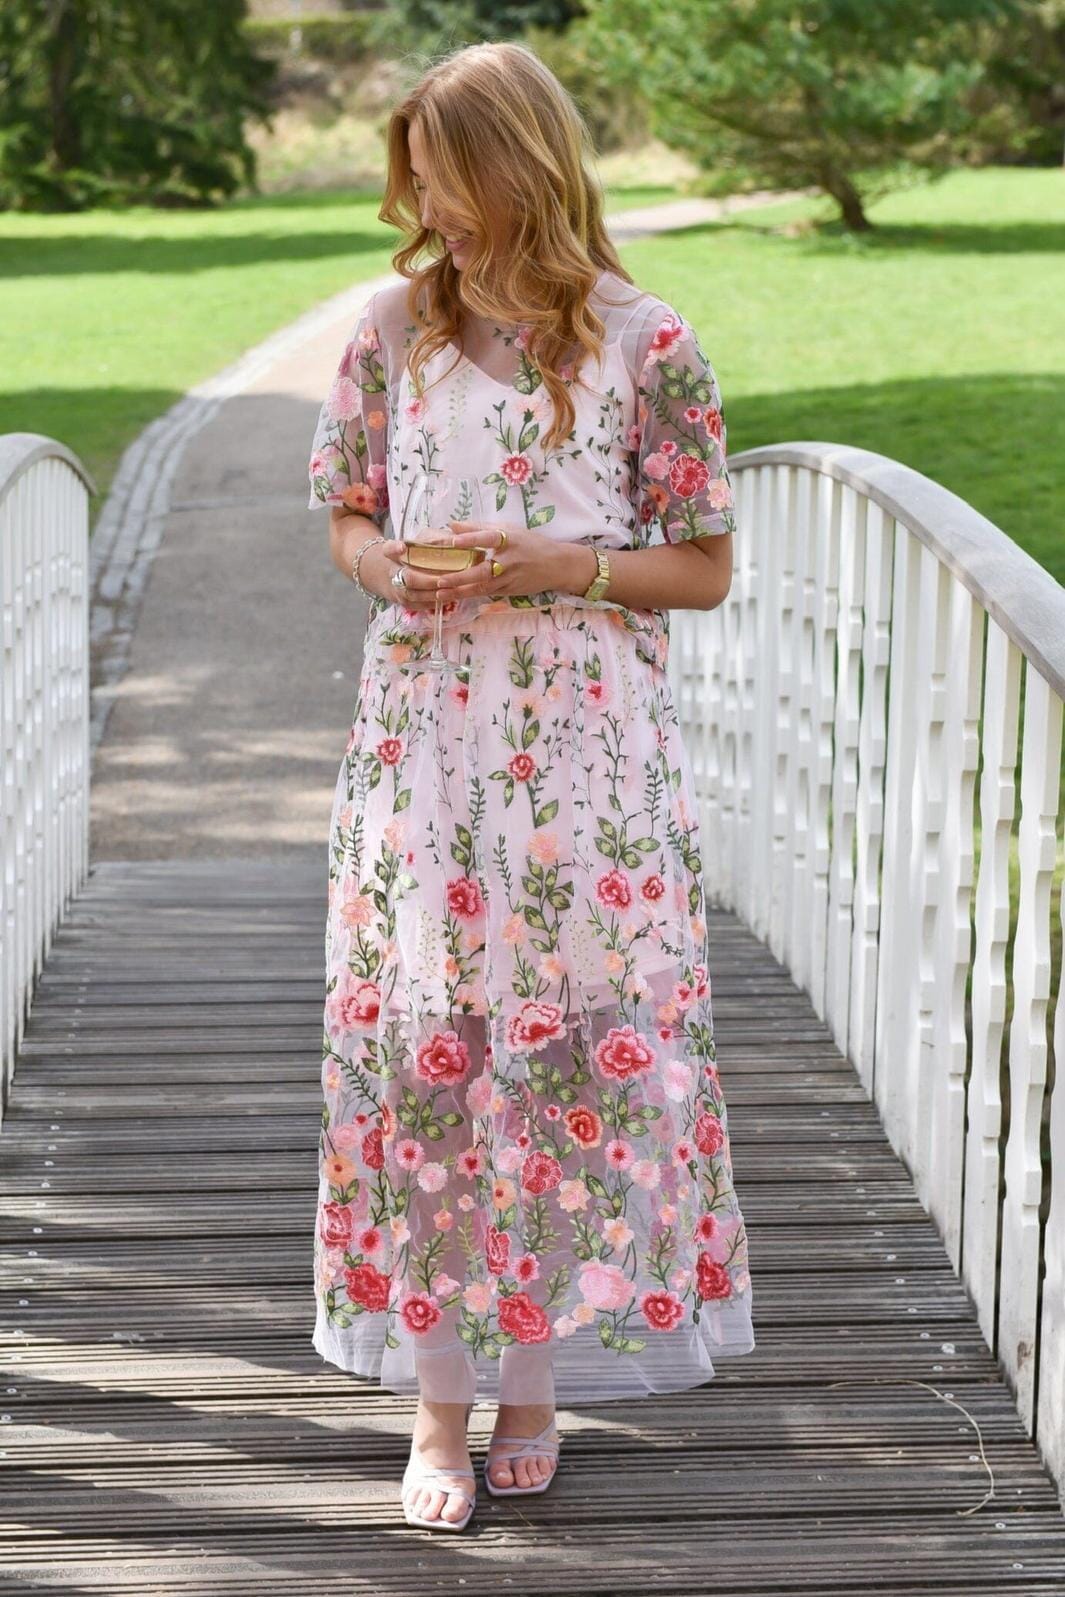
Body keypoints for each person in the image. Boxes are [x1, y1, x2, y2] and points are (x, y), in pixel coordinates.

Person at [306, 39, 755, 1533]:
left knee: (566, 1057)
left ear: (518, 166)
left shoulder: (648, 341)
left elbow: (705, 564)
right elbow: (346, 512)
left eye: (445, 174)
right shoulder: (392, 328)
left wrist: (569, 564)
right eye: (414, 177)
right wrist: (388, 567)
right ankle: (438, 1400)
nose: (422, 204)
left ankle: (533, 1384)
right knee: (431, 1056)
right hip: (426, 748)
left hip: (585, 763)